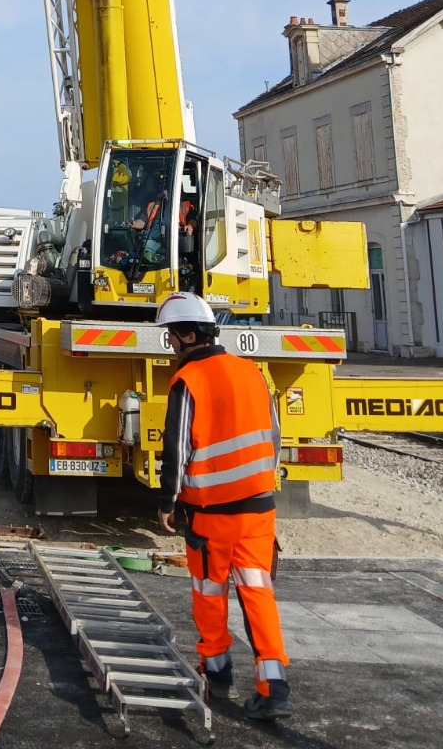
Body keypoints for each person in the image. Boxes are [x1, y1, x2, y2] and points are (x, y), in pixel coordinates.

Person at [155, 293, 291, 721]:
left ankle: (217, 675)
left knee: (210, 592)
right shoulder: (252, 372)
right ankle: (274, 689)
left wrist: (167, 500)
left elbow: (177, 448)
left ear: (188, 335)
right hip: (259, 510)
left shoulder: (188, 380)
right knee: (258, 593)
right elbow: (274, 435)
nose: (170, 344)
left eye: (171, 336)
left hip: (211, 515)